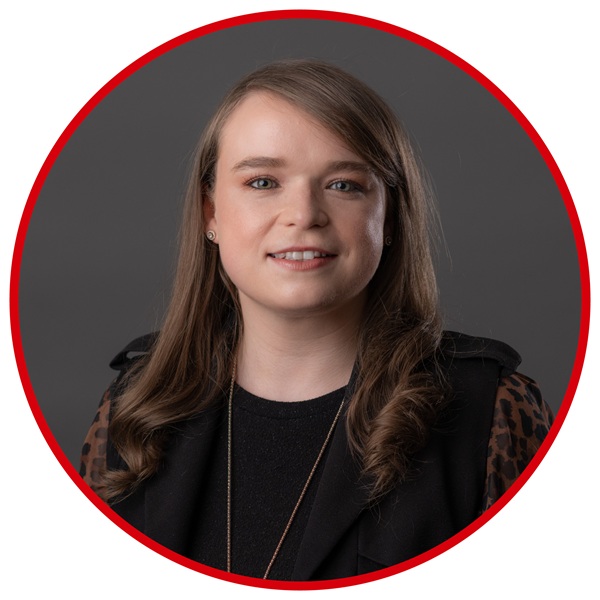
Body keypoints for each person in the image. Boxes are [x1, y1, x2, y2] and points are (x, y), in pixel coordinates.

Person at [80, 59, 553, 582]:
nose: (304, 214)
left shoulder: (492, 412)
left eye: (344, 185)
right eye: (263, 181)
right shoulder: (133, 409)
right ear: (211, 214)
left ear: (389, 217)